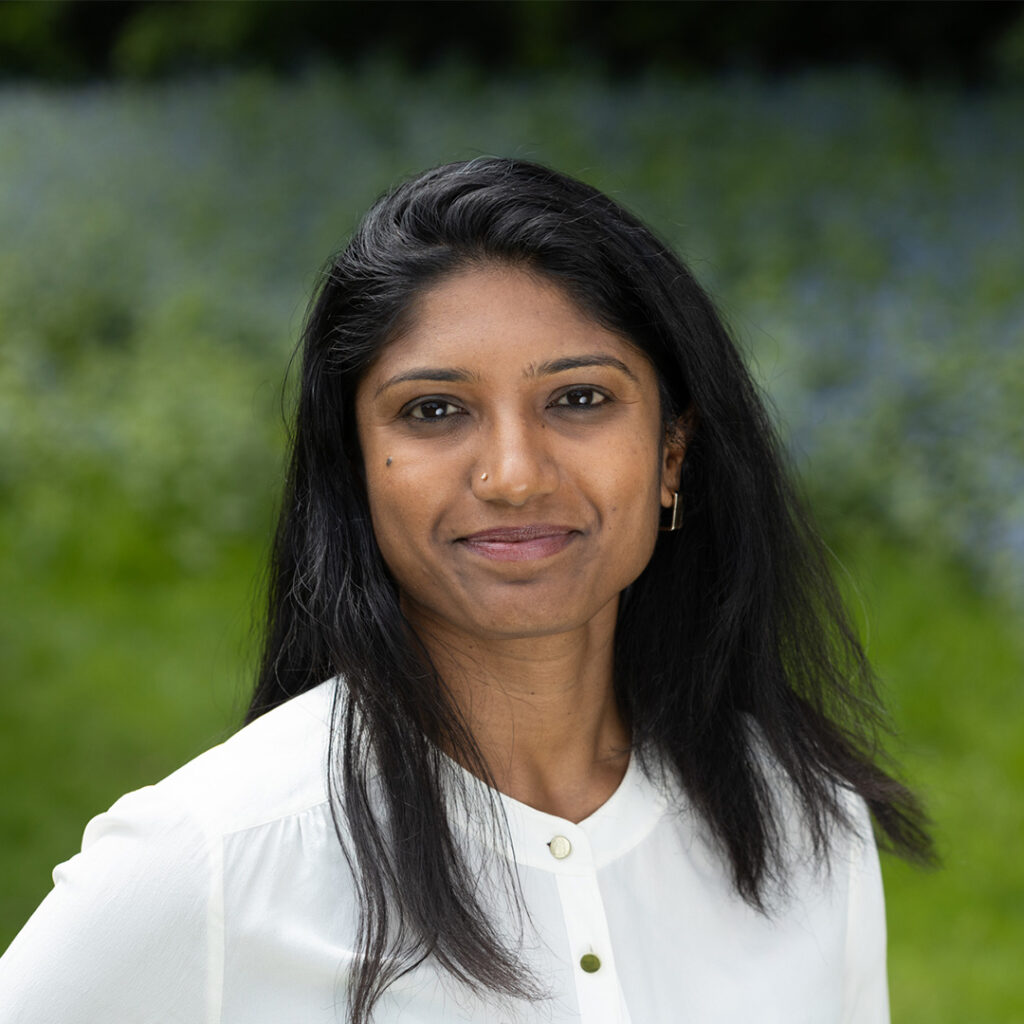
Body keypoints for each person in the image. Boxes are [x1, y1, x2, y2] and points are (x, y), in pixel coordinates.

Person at [0, 158, 931, 1023]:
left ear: (671, 455)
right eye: (435, 411)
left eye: (578, 399)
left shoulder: (806, 821)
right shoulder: (210, 857)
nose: (515, 476)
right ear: (359, 468)